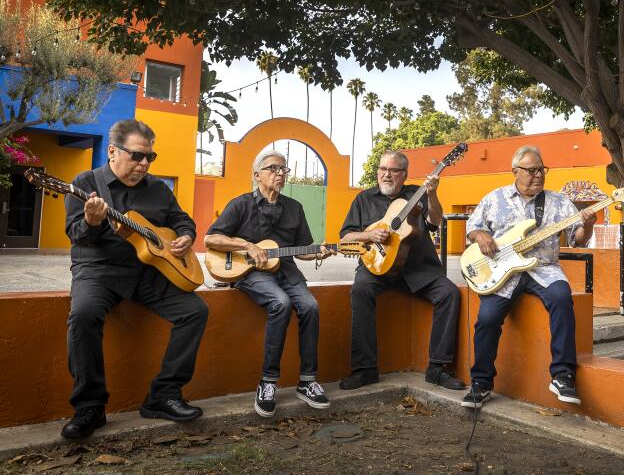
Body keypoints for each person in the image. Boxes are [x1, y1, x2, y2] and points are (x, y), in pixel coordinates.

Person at [62, 119, 209, 439]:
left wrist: (185, 235)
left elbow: (181, 219)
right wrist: (90, 221)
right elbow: (76, 236)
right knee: (84, 314)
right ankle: (90, 407)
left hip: (148, 272)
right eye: (137, 156)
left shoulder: (157, 188)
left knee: (195, 311)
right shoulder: (85, 184)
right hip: (98, 270)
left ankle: (164, 395)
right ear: (113, 152)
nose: (144, 164)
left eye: (149, 158)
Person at [461, 145, 595, 409]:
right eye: (531, 170)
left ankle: (562, 375)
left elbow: (578, 240)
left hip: (543, 267)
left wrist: (587, 224)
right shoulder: (494, 198)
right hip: (502, 271)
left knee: (561, 298)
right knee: (487, 319)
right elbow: (472, 228)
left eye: (541, 170)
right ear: (515, 171)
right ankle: (481, 382)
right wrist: (482, 236)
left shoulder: (559, 202)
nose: (538, 175)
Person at [205, 151, 335, 417]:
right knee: (281, 303)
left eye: (284, 169)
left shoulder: (294, 208)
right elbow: (211, 240)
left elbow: (302, 250)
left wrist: (320, 251)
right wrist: (246, 245)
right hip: (249, 273)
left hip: (286, 271)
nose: (280, 173)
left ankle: (308, 382)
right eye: (273, 168)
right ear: (257, 175)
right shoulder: (240, 205)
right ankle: (268, 382)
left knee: (310, 306)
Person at [339, 150, 464, 391]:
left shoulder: (417, 194)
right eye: (382, 169)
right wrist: (369, 234)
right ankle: (365, 369)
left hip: (418, 268)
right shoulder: (363, 199)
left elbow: (435, 222)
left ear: (404, 174)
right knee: (360, 290)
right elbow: (346, 238)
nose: (386, 175)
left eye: (393, 170)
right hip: (378, 266)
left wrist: (432, 193)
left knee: (449, 293)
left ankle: (437, 368)